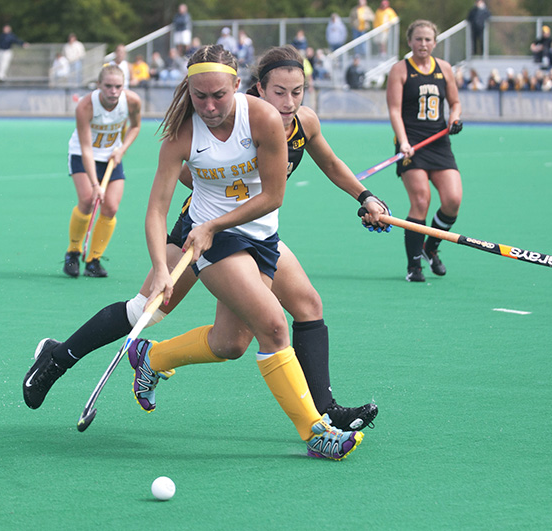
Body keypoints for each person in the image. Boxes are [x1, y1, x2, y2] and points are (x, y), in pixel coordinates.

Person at [24, 44, 383, 460]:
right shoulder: (183, 132)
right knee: (264, 324)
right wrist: (163, 262)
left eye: (219, 96)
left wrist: (365, 196)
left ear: (236, 87)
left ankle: (149, 357)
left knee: (238, 339)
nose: (210, 106)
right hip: (210, 236)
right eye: (200, 96)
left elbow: (274, 195)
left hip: (255, 234)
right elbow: (157, 205)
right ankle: (317, 429)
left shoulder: (266, 119)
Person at [386, 20, 463, 282]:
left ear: (435, 42)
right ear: (410, 42)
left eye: (428, 40)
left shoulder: (444, 69)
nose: (423, 44)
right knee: (421, 200)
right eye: (418, 39)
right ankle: (414, 266)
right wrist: (403, 142)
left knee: (453, 200)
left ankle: (430, 247)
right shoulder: (400, 70)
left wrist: (454, 119)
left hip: (439, 142)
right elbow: (395, 110)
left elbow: (455, 102)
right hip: (412, 144)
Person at [62, 64, 142, 278]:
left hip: (111, 157)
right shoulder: (86, 106)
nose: (113, 91)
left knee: (111, 207)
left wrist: (122, 150)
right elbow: (86, 148)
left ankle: (93, 260)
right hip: (82, 155)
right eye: (108, 86)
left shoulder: (132, 101)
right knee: (88, 200)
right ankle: (73, 252)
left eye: (118, 86)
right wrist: (96, 185)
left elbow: (135, 127)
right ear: (98, 85)